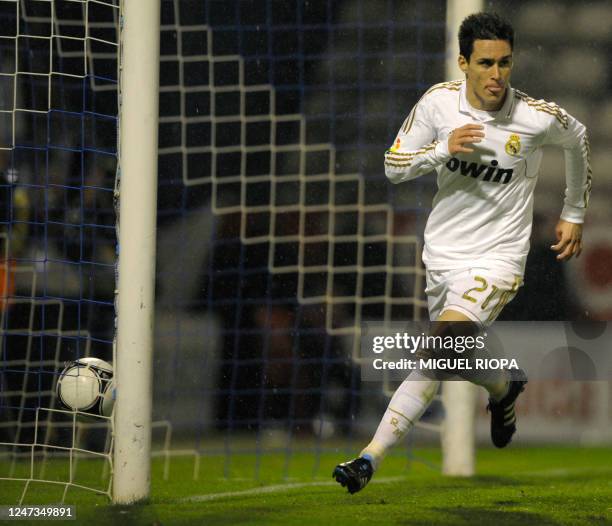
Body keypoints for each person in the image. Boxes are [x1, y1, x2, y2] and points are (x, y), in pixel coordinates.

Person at [333, 11, 591, 494]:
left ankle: (368, 458)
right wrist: (441, 149)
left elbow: (577, 138)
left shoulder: (534, 117)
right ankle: (504, 387)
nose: (497, 75)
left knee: (437, 346)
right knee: (457, 356)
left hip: (498, 259)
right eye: (486, 63)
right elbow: (393, 166)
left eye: (505, 63)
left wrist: (573, 212)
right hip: (444, 254)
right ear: (463, 63)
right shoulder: (437, 104)